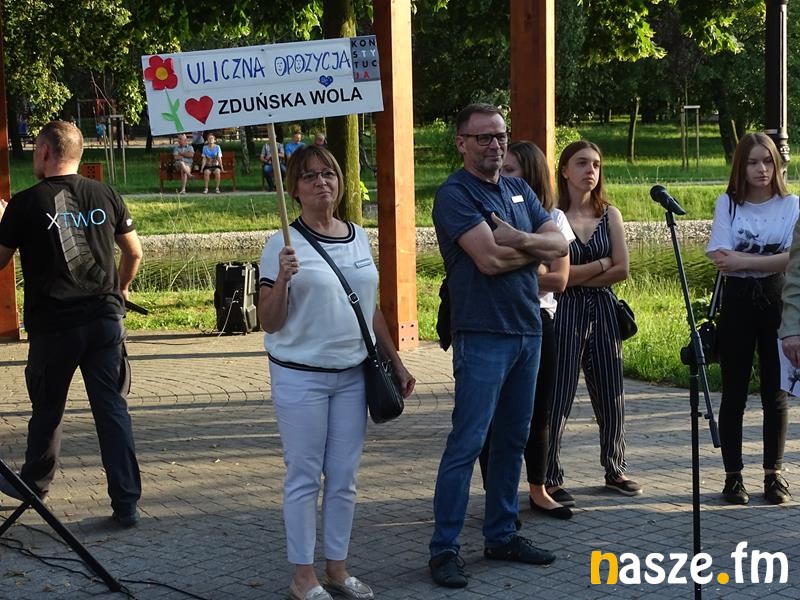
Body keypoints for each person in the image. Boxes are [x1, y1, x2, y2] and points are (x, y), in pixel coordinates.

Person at [258, 145, 415, 600]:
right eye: (309, 176)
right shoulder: (282, 243)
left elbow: (369, 310)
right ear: (294, 188)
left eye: (328, 173)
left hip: (352, 375)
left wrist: (396, 360)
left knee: (344, 476)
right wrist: (283, 279)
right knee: (304, 476)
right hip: (300, 376)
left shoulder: (358, 236)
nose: (321, 182)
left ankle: (337, 568)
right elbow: (269, 320)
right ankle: (302, 576)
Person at [429, 104, 567, 589]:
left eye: (500, 136)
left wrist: (518, 239)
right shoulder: (455, 194)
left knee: (512, 439)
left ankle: (502, 534)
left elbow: (561, 246)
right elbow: (487, 260)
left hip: (528, 330)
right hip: (482, 333)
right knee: (468, 442)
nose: (495, 145)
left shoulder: (518, 189)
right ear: (461, 143)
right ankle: (444, 549)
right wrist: (531, 249)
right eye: (483, 137)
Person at [0, 120, 143, 527]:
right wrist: (121, 288)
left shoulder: (26, 203)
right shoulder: (106, 194)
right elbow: (134, 252)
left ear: (45, 151)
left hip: (54, 327)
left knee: (48, 410)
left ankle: (34, 487)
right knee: (112, 410)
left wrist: (3, 221)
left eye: (35, 150)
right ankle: (126, 503)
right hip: (104, 321)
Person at [478, 141, 575, 520]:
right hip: (496, 319)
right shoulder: (489, 214)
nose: (502, 175)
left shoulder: (553, 217)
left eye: (511, 170)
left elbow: (559, 279)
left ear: (530, 175)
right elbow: (487, 265)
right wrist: (537, 256)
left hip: (539, 319)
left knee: (539, 411)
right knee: (491, 415)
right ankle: (497, 498)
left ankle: (539, 488)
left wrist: (516, 256)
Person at [545, 140, 641, 507]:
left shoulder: (610, 215)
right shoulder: (552, 217)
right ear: (565, 170)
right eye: (582, 163)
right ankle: (550, 476)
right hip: (564, 310)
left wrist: (579, 274)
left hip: (603, 309)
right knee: (558, 394)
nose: (591, 171)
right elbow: (560, 278)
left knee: (611, 392)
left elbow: (623, 269)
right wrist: (601, 265)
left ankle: (616, 468)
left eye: (596, 165)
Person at [708, 132, 798, 505]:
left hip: (777, 299)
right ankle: (733, 477)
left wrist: (745, 260)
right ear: (741, 167)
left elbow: (794, 261)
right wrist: (768, 260)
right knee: (734, 391)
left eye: (768, 161)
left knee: (776, 391)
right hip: (738, 302)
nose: (762, 169)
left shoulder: (792, 205)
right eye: (753, 162)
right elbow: (720, 257)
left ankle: (773, 475)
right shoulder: (728, 204)